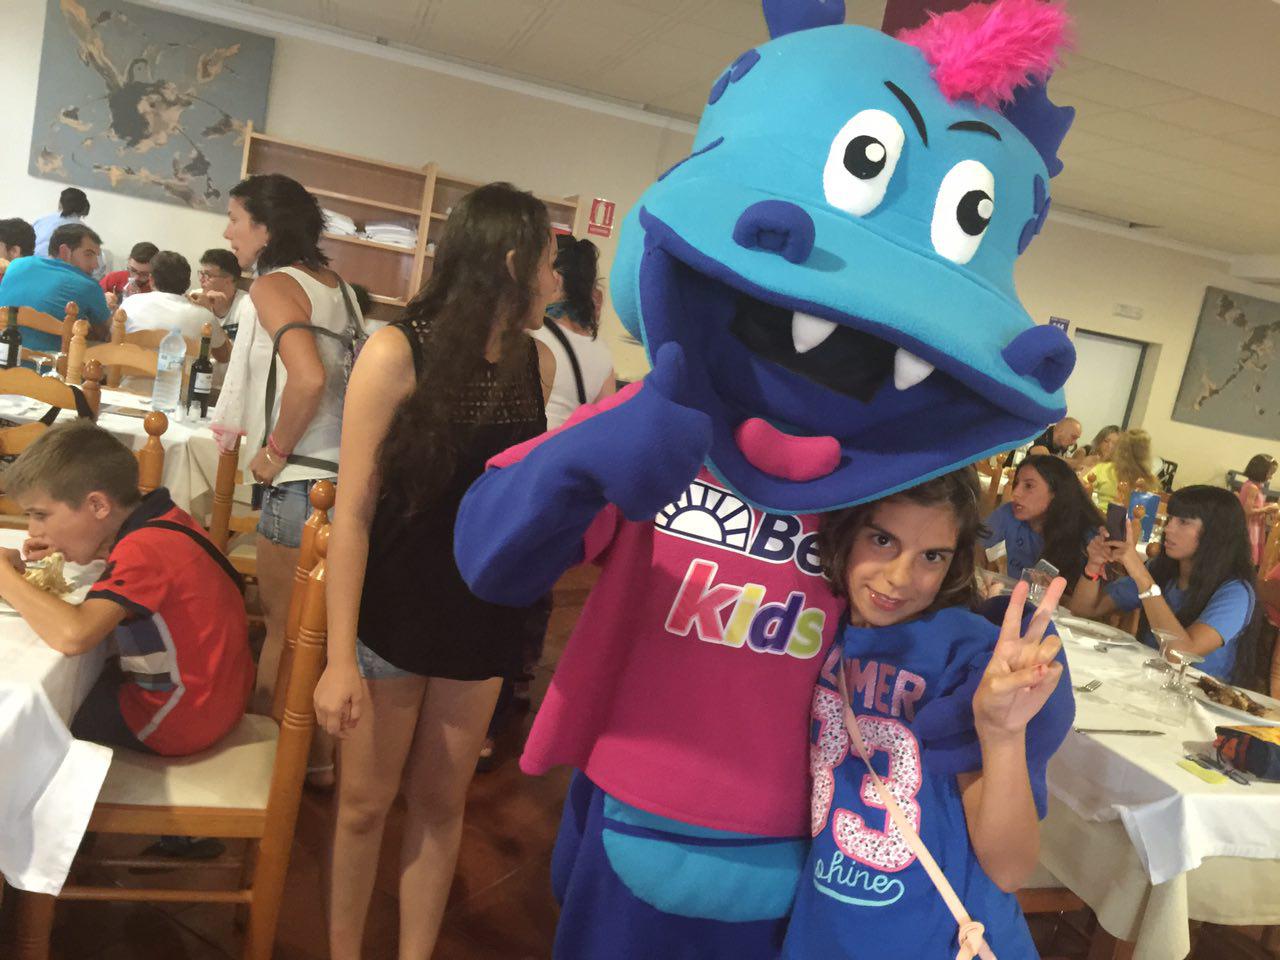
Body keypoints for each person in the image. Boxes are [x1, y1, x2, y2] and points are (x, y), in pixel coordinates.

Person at [312, 182, 557, 960]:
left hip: (482, 616)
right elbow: (352, 515)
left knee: (442, 804)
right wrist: (337, 659)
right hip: (390, 612)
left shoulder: (538, 363)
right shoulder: (396, 351)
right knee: (361, 806)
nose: (557, 281)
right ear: (512, 262)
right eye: (549, 262)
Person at [784, 470, 1072, 960]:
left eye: (931, 556)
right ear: (846, 532)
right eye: (882, 540)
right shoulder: (816, 623)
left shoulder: (964, 657)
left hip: (939, 937)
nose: (899, 577)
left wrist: (1002, 733)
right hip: (825, 926)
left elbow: (1010, 869)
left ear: (954, 561)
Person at [213, 173, 361, 783]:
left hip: (300, 481)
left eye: (235, 218)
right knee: (318, 635)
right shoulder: (340, 289)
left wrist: (274, 451)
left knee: (282, 632)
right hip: (347, 480)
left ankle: (265, 772)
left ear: (266, 227)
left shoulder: (273, 285)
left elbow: (308, 378)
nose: (229, 232)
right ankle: (316, 761)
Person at [0, 421, 252, 756]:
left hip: (178, 718)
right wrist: (84, 549)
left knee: (34, 716)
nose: (32, 529)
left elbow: (74, 636)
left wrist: (5, 578)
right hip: (219, 698)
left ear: (97, 506)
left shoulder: (143, 550)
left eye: (41, 515)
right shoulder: (162, 518)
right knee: (78, 682)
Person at [1072, 485, 1262, 685]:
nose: (1168, 528)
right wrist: (1093, 566)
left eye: (1183, 522)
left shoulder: (1236, 592)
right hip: (1149, 682)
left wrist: (1141, 575)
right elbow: (1084, 609)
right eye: (1170, 519)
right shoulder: (1162, 570)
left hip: (1198, 696)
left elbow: (1180, 654)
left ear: (1217, 532)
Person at [533, 235, 617, 429]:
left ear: (557, 280)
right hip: (561, 447)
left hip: (522, 445)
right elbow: (604, 425)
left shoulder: (532, 333)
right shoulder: (602, 353)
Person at [981, 454, 1103, 588]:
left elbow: (1086, 600)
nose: (1015, 493)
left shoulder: (1087, 539)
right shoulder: (1008, 514)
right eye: (1016, 483)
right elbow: (975, 551)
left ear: (1056, 493)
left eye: (1028, 486)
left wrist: (1053, 592)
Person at [0, 222, 111, 351]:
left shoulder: (16, 264)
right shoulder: (88, 285)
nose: (95, 265)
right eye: (89, 254)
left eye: (96, 257)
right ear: (64, 251)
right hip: (46, 362)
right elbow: (105, 334)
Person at [120, 250, 231, 357]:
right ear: (188, 283)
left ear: (151, 280)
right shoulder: (204, 316)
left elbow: (115, 338)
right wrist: (210, 311)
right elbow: (225, 356)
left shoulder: (130, 303)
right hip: (178, 371)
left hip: (129, 369)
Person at [189, 248, 253, 340]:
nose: (201, 279)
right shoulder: (196, 296)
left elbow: (241, 347)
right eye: (201, 274)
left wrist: (211, 314)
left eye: (207, 275)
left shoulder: (247, 305)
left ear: (228, 280)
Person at [1089, 428, 1157, 505]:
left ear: (1120, 448)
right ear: (1146, 453)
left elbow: (1082, 488)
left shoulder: (1103, 468)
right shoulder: (1149, 480)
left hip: (1098, 511)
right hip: (1131, 512)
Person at [1237, 453, 1278, 567]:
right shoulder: (1252, 488)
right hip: (1251, 527)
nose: (1270, 477)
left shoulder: (1250, 485)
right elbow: (1247, 511)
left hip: (1253, 525)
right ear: (1261, 471)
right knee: (1249, 556)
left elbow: (1254, 505)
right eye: (1270, 473)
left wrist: (1266, 505)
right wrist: (1267, 509)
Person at [31, 187, 90, 260]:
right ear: (83, 207)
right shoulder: (84, 231)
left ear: (60, 203)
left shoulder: (41, 220)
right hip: (59, 266)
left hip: (32, 262)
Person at [1004, 416, 1080, 468]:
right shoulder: (1039, 433)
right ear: (1061, 431)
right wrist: (1072, 463)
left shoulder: (1061, 446)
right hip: (1008, 477)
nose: (1074, 443)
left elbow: (1073, 464)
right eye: (1073, 437)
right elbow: (1045, 460)